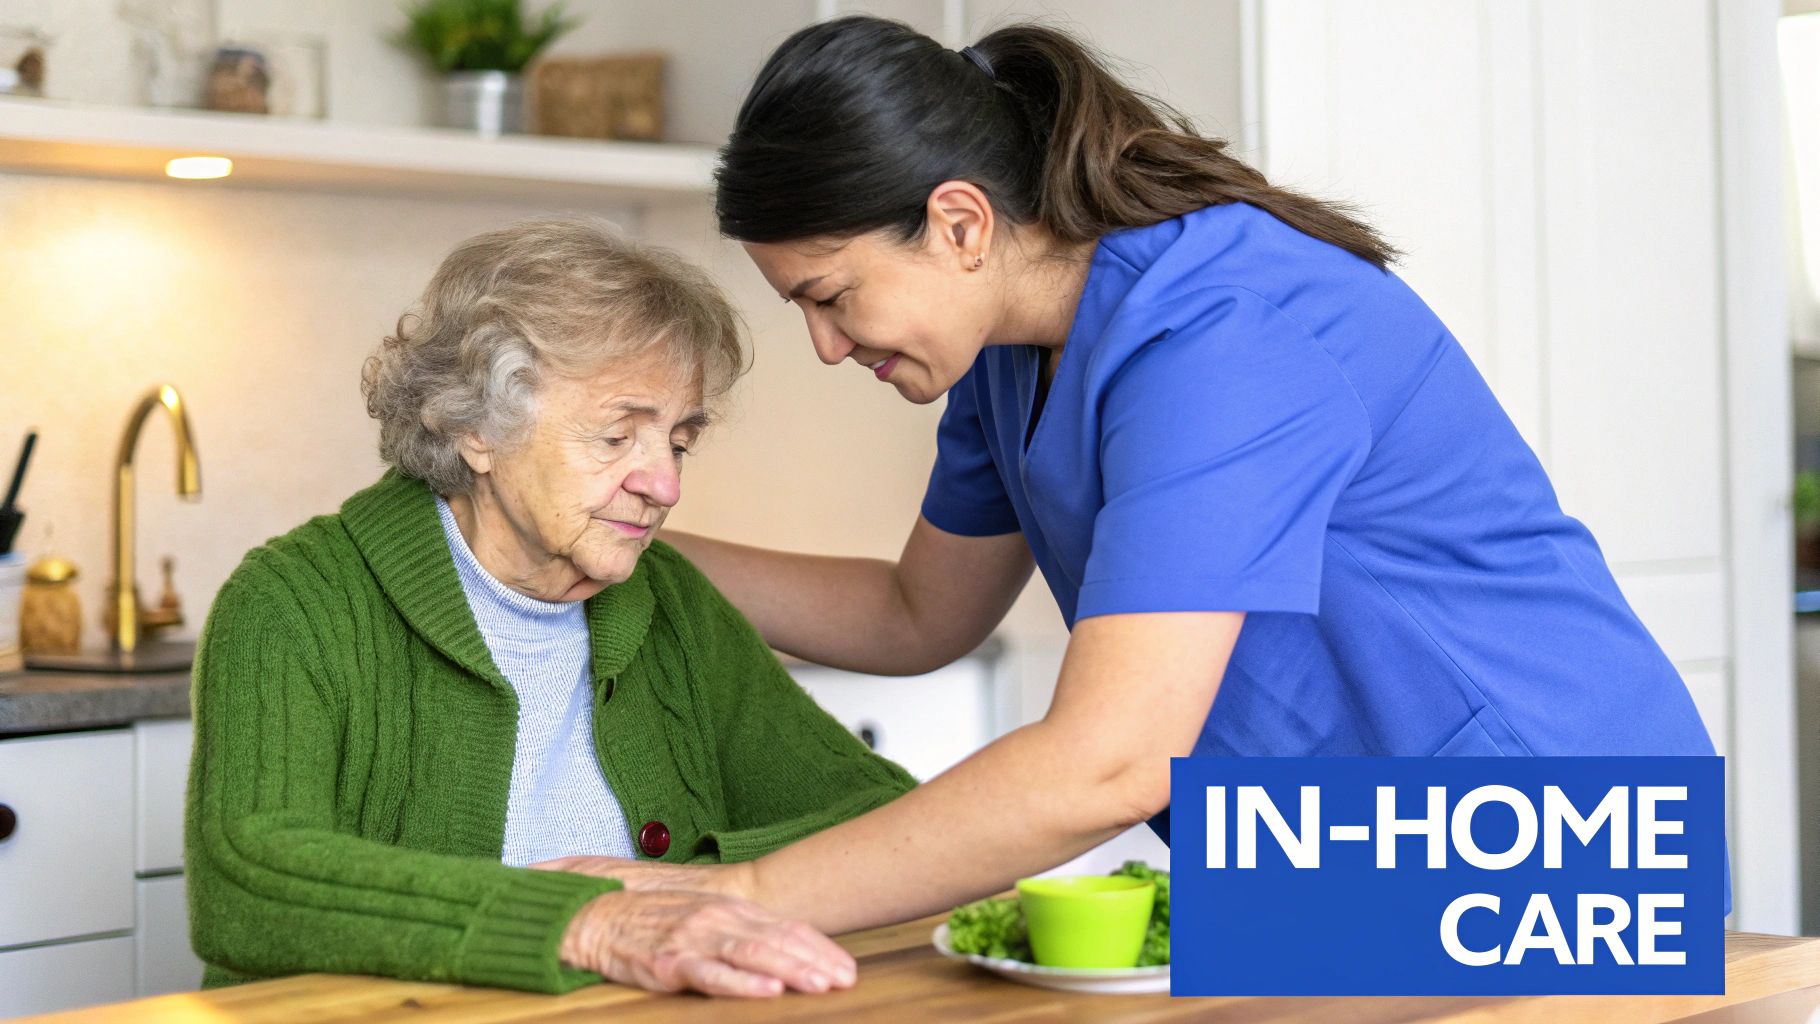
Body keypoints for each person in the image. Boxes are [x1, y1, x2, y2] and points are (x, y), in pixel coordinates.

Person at [537, 16, 1721, 933]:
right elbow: (916, 614)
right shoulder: (1004, 363)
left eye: (832, 297)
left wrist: (742, 895)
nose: (827, 347)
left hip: (1552, 831)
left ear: (959, 224)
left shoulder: (1223, 335)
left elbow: (1111, 757)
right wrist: (623, 540)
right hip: (1336, 847)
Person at [184, 216, 914, 998]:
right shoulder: (296, 601)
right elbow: (248, 879)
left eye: (679, 441)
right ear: (477, 431)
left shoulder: (671, 604)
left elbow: (890, 823)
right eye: (616, 438)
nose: (664, 484)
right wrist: (587, 922)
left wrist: (693, 888)